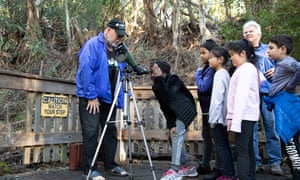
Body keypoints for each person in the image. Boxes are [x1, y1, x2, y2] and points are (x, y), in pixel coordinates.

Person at [76, 18, 131, 180]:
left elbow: (122, 71)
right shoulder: (92, 45)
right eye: (117, 35)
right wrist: (91, 96)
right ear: (108, 31)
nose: (119, 39)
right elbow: (86, 71)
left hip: (110, 98)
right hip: (91, 98)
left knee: (110, 131)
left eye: (122, 36)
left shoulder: (118, 51)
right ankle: (90, 169)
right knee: (91, 132)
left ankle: (111, 165)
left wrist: (119, 98)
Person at [243, 20, 283, 175]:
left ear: (259, 34)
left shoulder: (269, 49)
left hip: (269, 95)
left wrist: (277, 71)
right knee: (251, 130)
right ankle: (255, 162)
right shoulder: (243, 52)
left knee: (271, 128)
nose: (248, 34)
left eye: (250, 31)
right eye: (245, 32)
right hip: (250, 96)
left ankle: (275, 163)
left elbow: (285, 64)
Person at [150, 60, 198, 180]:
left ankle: (174, 169)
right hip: (175, 112)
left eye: (154, 71)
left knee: (177, 134)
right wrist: (171, 124)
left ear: (163, 71)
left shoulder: (173, 79)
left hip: (186, 109)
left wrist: (159, 78)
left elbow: (169, 97)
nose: (152, 75)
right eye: (150, 73)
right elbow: (164, 105)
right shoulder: (157, 85)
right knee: (172, 135)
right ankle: (188, 167)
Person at [265, 34, 300, 180]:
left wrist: (290, 86)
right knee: (288, 143)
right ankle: (295, 173)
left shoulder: (287, 62)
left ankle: (298, 174)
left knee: (290, 144)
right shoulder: (281, 64)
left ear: (283, 49)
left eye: (271, 48)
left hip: (287, 106)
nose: (268, 51)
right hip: (282, 104)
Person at [226, 39, 261, 180]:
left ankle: (243, 177)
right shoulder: (245, 69)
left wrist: (235, 123)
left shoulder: (246, 69)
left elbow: (241, 97)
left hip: (243, 116)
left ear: (243, 53)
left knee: (242, 152)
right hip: (246, 116)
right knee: (248, 150)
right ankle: (249, 176)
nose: (231, 58)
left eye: (233, 54)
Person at [208, 47, 236, 180]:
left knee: (222, 147)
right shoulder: (224, 73)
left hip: (218, 118)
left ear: (220, 60)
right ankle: (230, 172)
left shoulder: (220, 74)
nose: (209, 59)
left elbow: (217, 99)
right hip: (223, 117)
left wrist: (212, 119)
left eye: (212, 57)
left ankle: (228, 174)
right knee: (225, 146)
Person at [195, 39, 222, 179]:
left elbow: (203, 87)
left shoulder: (210, 70)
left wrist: (197, 74)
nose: (201, 56)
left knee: (215, 138)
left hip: (212, 109)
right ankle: (205, 164)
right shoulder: (207, 68)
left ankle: (218, 167)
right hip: (206, 109)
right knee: (206, 137)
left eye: (204, 53)